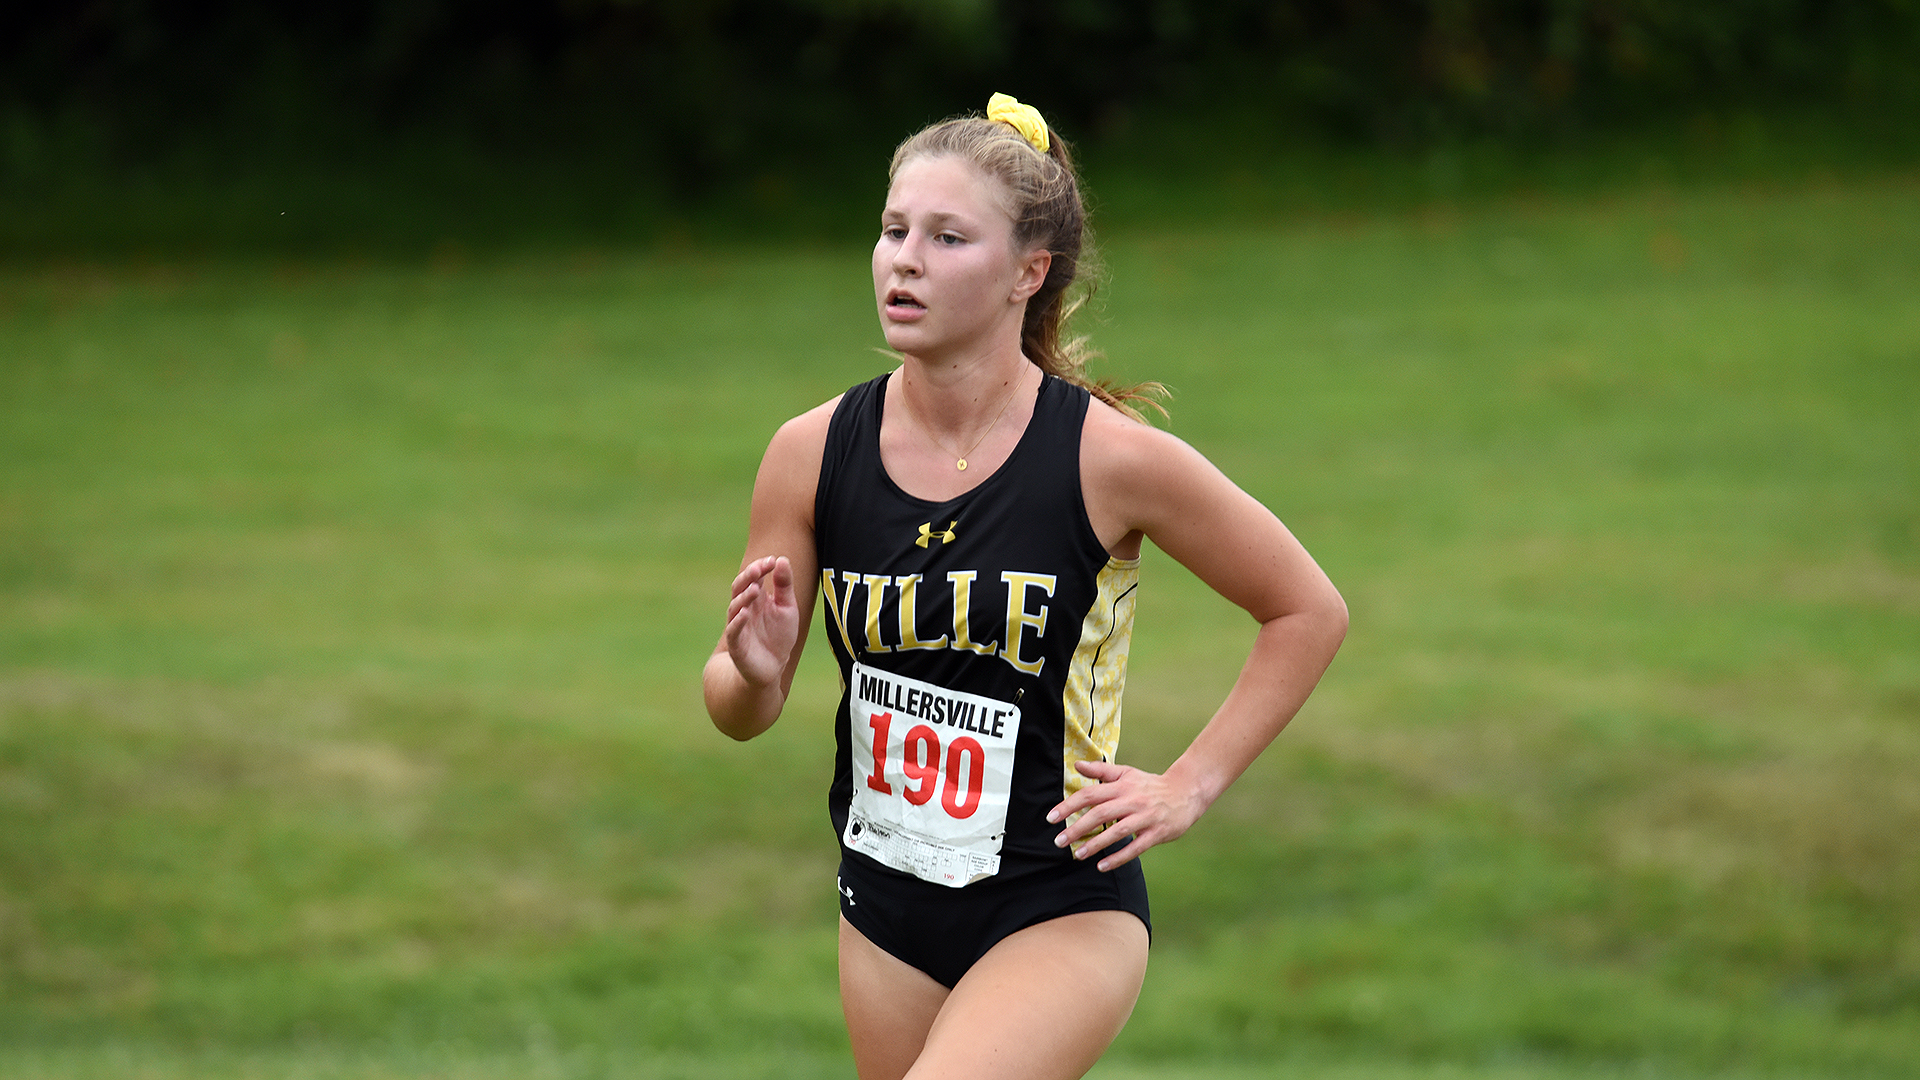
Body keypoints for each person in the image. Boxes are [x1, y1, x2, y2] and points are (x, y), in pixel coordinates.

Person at [703, 93, 1347, 1080]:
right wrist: (751, 673)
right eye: (892, 230)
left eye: (947, 237)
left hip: (1059, 901)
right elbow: (739, 712)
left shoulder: (1109, 459)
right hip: (886, 902)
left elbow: (1306, 609)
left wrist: (1189, 783)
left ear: (1027, 273)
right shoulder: (809, 453)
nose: (904, 259)